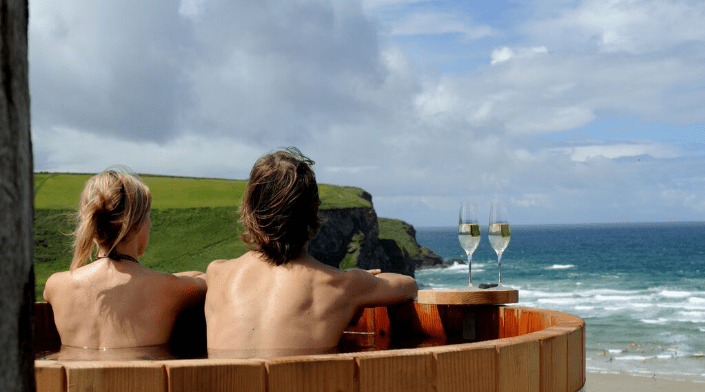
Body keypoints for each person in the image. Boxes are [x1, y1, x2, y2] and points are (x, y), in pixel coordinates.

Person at [205, 148, 418, 357]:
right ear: (314, 210)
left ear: (248, 208)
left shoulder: (217, 274)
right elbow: (408, 285)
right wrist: (359, 279)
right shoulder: (340, 285)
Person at [43, 167, 207, 356]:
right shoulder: (168, 288)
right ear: (137, 224)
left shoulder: (56, 285)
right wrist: (169, 278)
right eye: (148, 217)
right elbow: (208, 280)